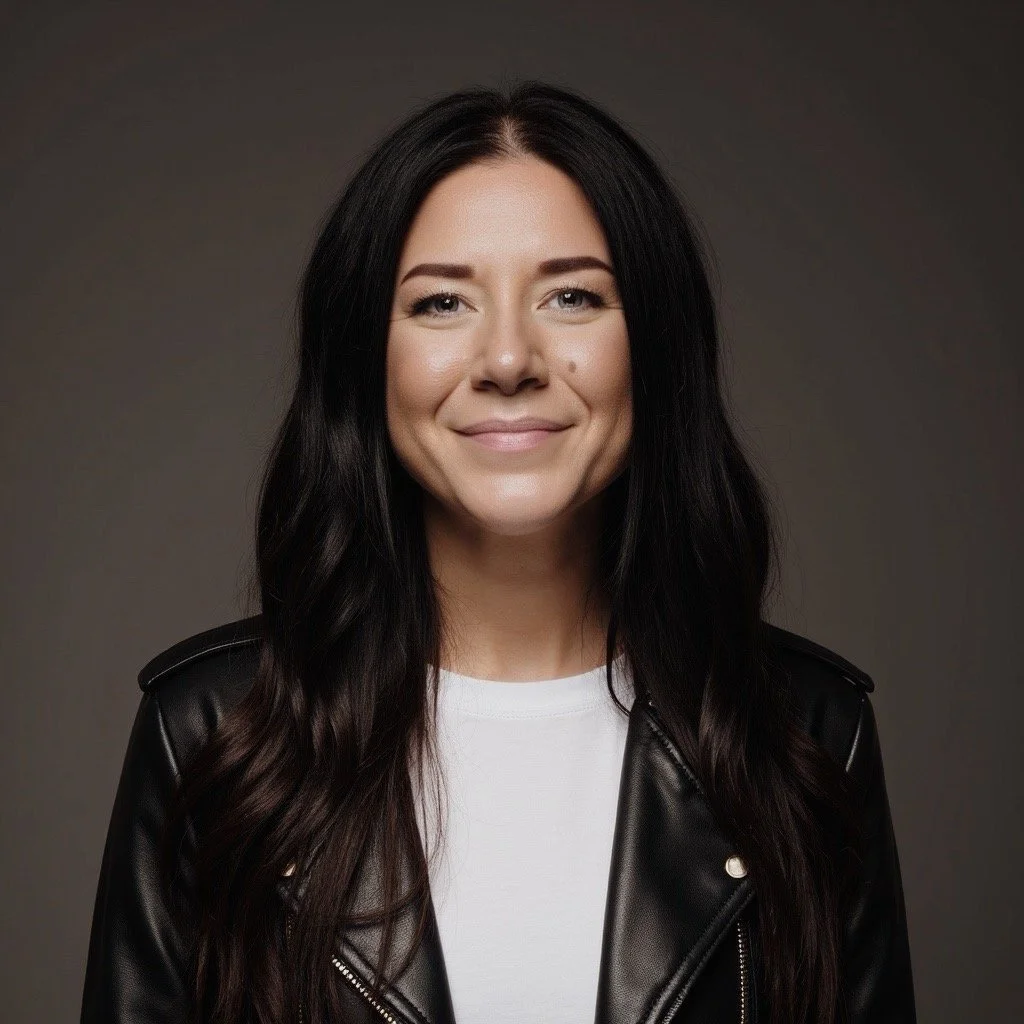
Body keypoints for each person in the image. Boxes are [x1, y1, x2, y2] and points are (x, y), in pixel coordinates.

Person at [80, 80, 916, 1024]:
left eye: (572, 295)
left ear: (657, 346)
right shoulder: (211, 732)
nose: (509, 359)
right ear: (367, 358)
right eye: (442, 303)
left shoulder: (808, 734)